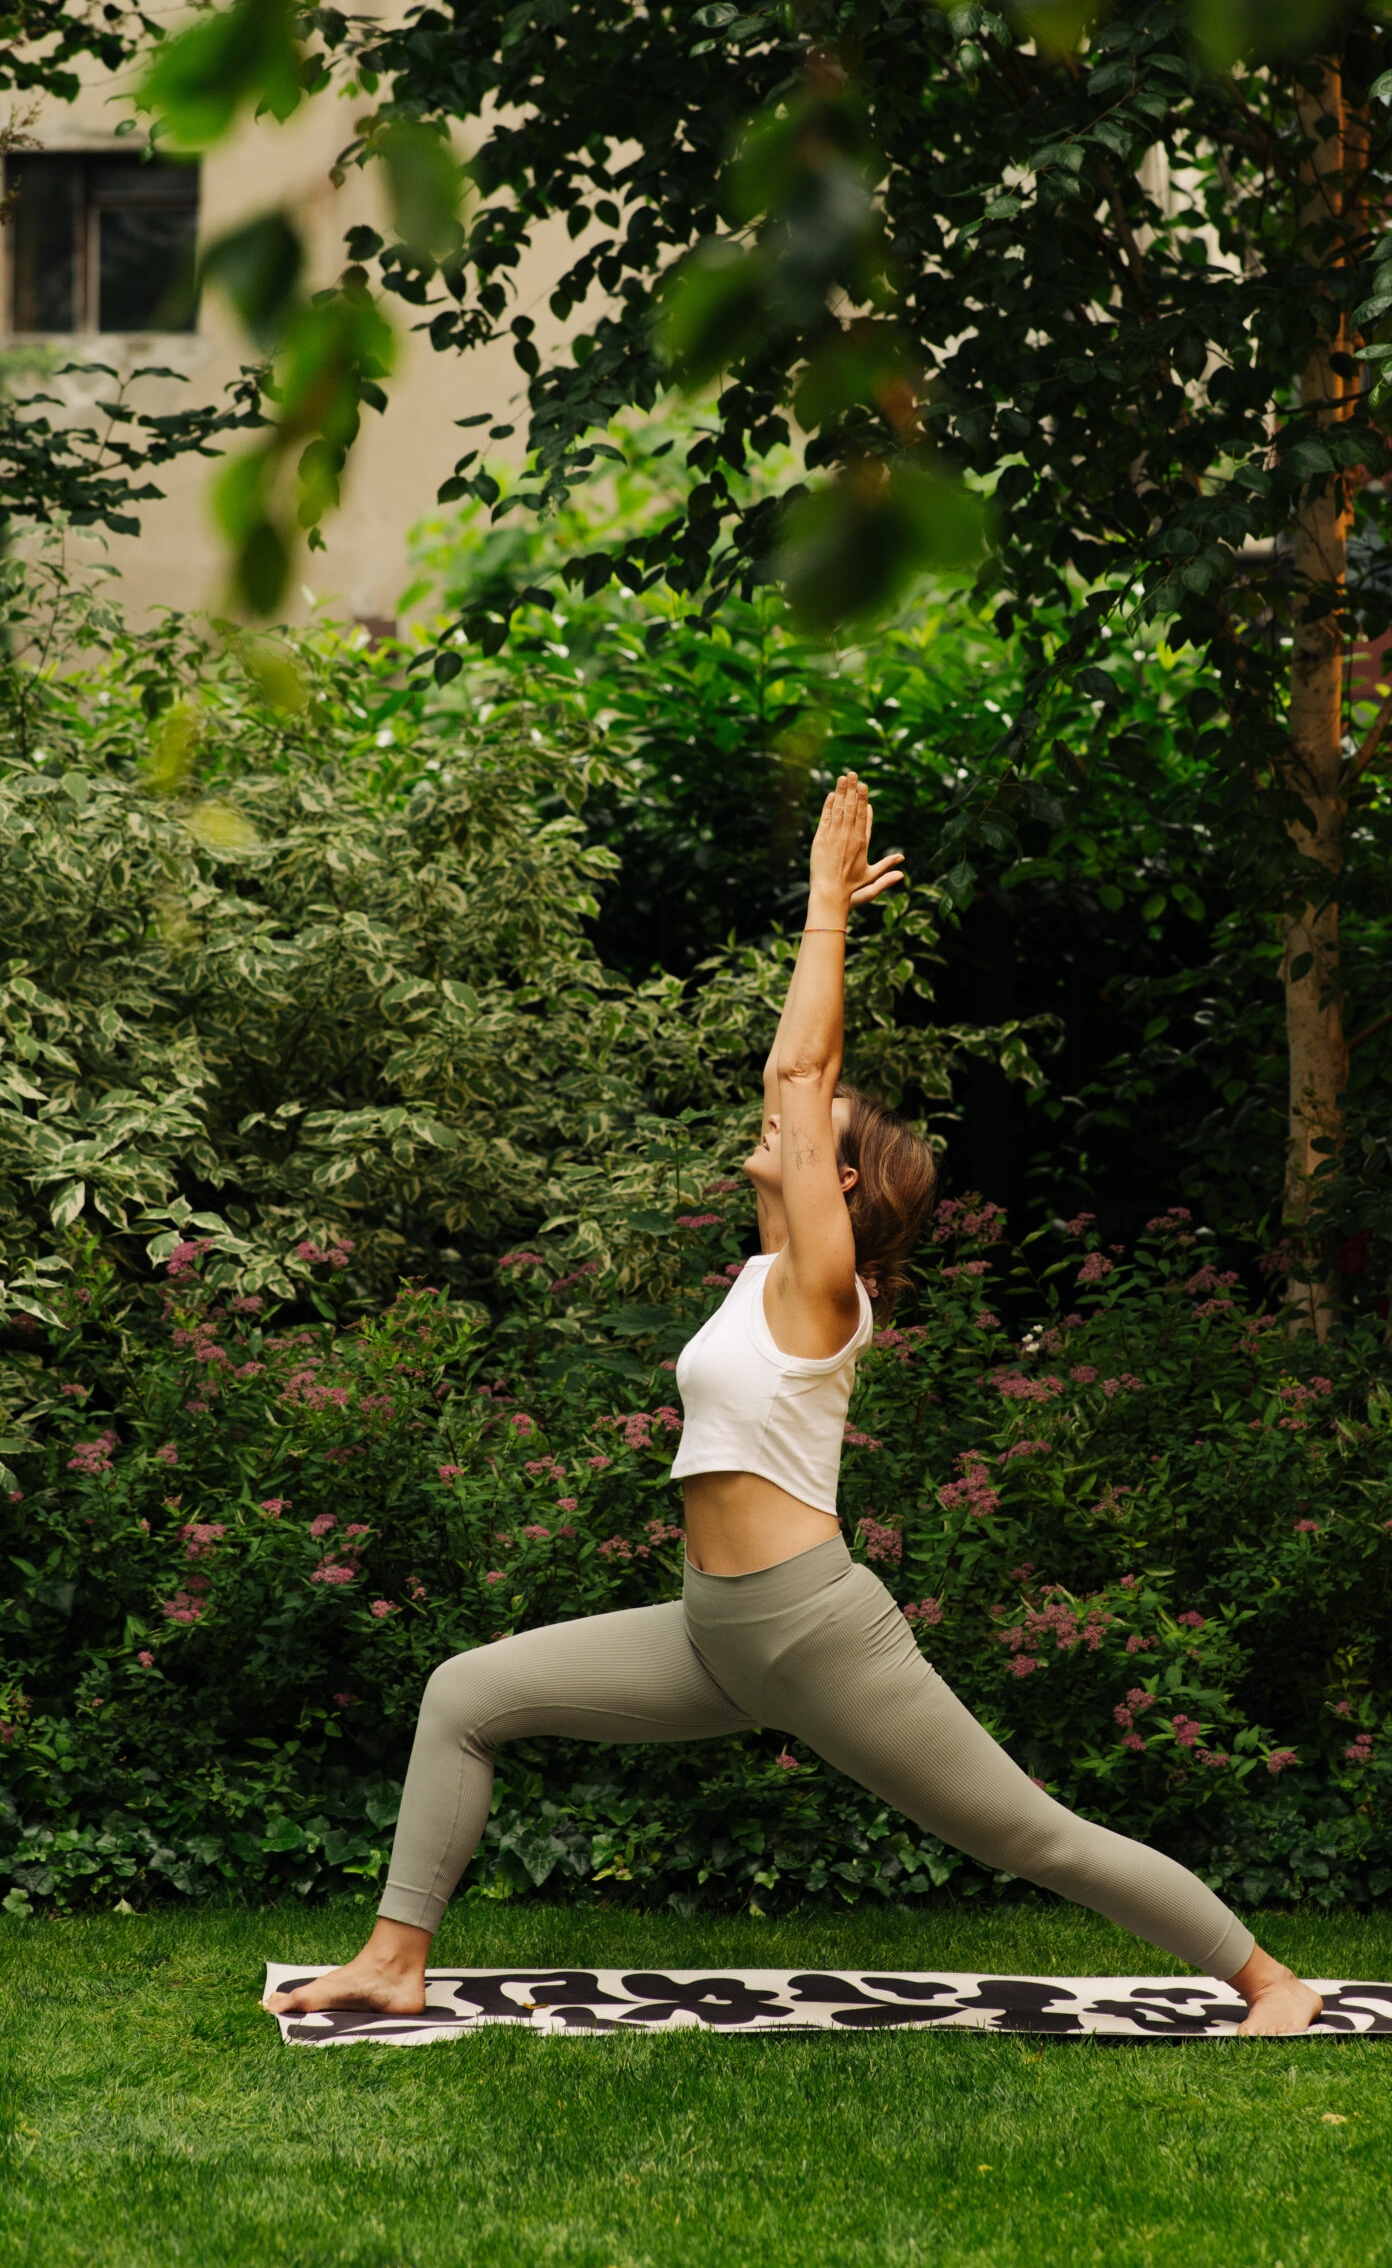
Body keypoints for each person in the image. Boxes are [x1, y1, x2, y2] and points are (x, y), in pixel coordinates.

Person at [265, 774, 1321, 2036]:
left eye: (808, 1122)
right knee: (464, 1693)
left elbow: (804, 1062)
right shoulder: (764, 1274)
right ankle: (392, 1960)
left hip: (814, 1633)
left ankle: (1271, 1980)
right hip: (714, 1630)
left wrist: (826, 907)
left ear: (843, 1181)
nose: (778, 1112)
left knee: (1030, 1834)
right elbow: (793, 1071)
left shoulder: (827, 1287)